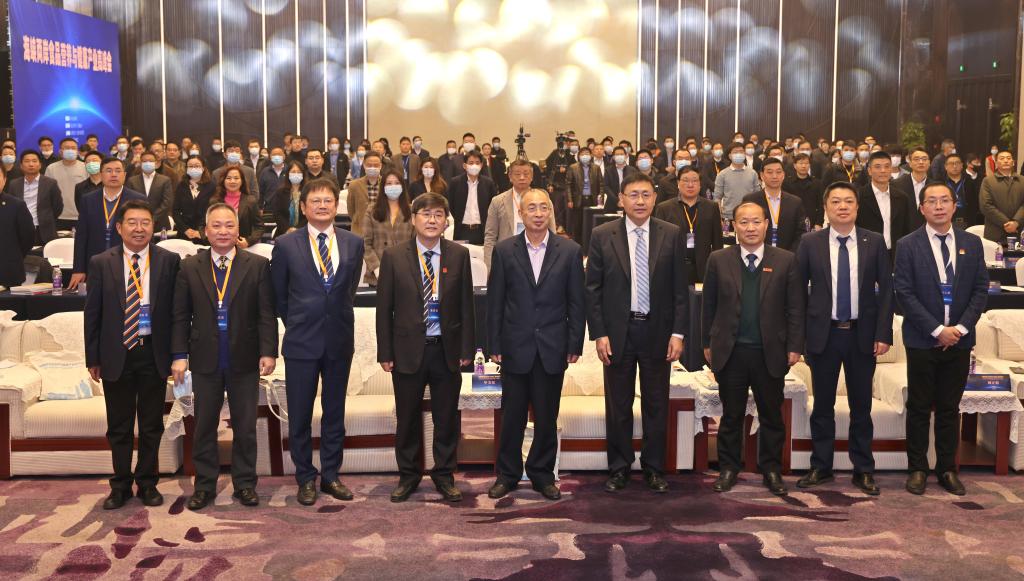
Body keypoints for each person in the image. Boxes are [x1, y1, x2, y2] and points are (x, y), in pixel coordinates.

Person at [171, 203, 278, 510]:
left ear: (238, 230)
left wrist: (268, 351)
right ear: (206, 231)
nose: (223, 231)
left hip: (244, 358)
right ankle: (204, 486)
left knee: (245, 426)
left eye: (229, 225)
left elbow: (266, 313)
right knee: (204, 425)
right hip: (205, 358)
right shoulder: (189, 266)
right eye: (216, 226)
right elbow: (180, 315)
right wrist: (179, 354)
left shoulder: (257, 265)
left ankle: (245, 484)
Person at [585, 174, 687, 494]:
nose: (640, 201)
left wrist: (678, 333)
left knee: (657, 403)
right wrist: (599, 333)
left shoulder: (671, 233)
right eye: (633, 195)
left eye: (645, 194)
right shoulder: (603, 235)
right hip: (618, 333)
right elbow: (593, 290)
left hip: (658, 331)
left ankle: (654, 468)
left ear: (655, 198)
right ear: (621, 199)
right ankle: (619, 468)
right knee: (618, 404)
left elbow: (680, 290)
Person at [376, 192, 475, 503]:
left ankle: (444, 475)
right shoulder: (394, 256)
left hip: (446, 350)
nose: (432, 220)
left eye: (438, 215)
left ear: (446, 222)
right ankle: (408, 475)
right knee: (407, 418)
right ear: (413, 219)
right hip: (407, 351)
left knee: (447, 419)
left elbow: (467, 307)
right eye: (426, 214)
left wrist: (467, 350)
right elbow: (384, 309)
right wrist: (385, 352)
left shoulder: (459, 255)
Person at [486, 189, 585, 501]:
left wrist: (575, 343)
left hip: (553, 347)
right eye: (532, 208)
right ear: (521, 212)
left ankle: (542, 474)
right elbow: (495, 302)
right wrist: (494, 343)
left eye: (544, 208)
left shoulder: (569, 251)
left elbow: (577, 302)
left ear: (551, 212)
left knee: (546, 417)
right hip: (515, 347)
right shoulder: (504, 250)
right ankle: (507, 475)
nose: (538, 213)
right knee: (512, 417)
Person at [796, 182, 893, 496]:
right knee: (822, 406)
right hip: (823, 336)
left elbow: (887, 292)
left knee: (861, 407)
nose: (842, 207)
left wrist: (883, 333)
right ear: (826, 207)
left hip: (861, 336)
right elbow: (797, 293)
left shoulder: (874, 241)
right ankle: (820, 466)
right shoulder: (810, 242)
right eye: (835, 201)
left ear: (857, 207)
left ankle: (863, 469)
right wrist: (799, 338)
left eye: (848, 201)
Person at [272, 178, 364, 506]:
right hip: (301, 341)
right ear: (304, 207)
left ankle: (331, 475)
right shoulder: (286, 245)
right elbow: (279, 297)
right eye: (316, 201)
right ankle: (305, 477)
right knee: (299, 414)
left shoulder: (354, 243)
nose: (322, 206)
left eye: (328, 200)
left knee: (334, 412)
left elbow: (348, 290)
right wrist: (300, 321)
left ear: (336, 205)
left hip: (339, 339)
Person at [702, 201, 805, 495]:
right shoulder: (718, 259)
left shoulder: (785, 260)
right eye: (744, 222)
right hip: (730, 352)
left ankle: (771, 469)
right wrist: (706, 344)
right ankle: (728, 468)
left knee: (771, 415)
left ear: (766, 225)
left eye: (756, 221)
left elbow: (795, 307)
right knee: (731, 415)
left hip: (770, 352)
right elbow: (708, 306)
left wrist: (795, 345)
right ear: (734, 226)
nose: (750, 228)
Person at [84, 200, 181, 509]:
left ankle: (148, 483)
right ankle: (121, 485)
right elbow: (93, 313)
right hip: (117, 353)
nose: (139, 228)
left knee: (152, 424)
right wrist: (92, 358)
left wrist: (178, 353)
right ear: (119, 227)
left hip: (153, 352)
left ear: (153, 227)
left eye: (145, 222)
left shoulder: (169, 260)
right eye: (132, 222)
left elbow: (177, 312)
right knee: (119, 426)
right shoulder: (101, 262)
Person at [894, 182, 988, 496]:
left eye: (944, 200)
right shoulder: (907, 244)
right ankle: (917, 469)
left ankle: (947, 469)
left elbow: (980, 290)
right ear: (922, 208)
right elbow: (904, 292)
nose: (938, 206)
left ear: (954, 205)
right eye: (932, 201)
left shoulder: (972, 243)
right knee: (919, 407)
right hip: (922, 339)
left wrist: (959, 329)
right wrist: (937, 330)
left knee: (949, 408)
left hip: (959, 340)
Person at [70, 158, 146, 290]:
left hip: (127, 260)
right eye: (108, 171)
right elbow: (81, 236)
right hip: (94, 261)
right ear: (101, 174)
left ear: (125, 175)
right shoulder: (88, 199)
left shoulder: (137, 199)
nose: (113, 174)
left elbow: (143, 234)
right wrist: (78, 269)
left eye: (118, 171)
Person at [653, 166, 723, 284]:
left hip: (704, 268)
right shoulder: (664, 208)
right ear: (678, 183)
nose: (690, 185)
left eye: (695, 180)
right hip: (673, 266)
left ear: (700, 184)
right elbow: (658, 243)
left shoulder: (711, 207)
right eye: (685, 180)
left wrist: (717, 269)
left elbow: (717, 242)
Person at [484, 159, 557, 268]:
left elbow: (552, 232)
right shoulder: (498, 201)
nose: (522, 177)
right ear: (510, 176)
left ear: (532, 176)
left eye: (526, 174)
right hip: (507, 257)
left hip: (538, 254)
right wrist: (490, 266)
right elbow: (490, 237)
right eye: (517, 174)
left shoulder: (544, 200)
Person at [742, 158, 808, 252]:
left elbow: (801, 233)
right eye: (769, 172)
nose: (774, 176)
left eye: (778, 172)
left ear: (783, 175)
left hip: (788, 254)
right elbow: (744, 229)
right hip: (758, 252)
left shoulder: (795, 202)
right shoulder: (751, 200)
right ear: (762, 175)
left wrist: (790, 255)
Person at [857, 152, 913, 261]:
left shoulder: (902, 197)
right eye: (878, 167)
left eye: (887, 166)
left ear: (891, 169)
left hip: (895, 255)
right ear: (869, 171)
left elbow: (906, 229)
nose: (883, 170)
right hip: (866, 253)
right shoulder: (859, 196)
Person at [362, 170, 414, 286]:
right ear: (383, 187)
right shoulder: (372, 210)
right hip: (377, 276)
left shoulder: (411, 211)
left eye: (397, 183)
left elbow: (416, 242)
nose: (393, 186)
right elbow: (366, 244)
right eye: (389, 183)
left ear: (402, 186)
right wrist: (377, 269)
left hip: (406, 273)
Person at [8, 150, 63, 245]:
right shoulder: (14, 184)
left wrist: (46, 218)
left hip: (44, 230)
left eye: (34, 161)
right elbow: (11, 207)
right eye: (27, 161)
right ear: (21, 166)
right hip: (21, 228)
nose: (31, 164)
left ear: (40, 165)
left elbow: (58, 207)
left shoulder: (50, 183)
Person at [447, 150, 497, 244]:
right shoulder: (455, 182)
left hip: (482, 230)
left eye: (477, 163)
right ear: (464, 165)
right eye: (471, 163)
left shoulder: (488, 183)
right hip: (462, 230)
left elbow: (493, 206)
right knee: (461, 253)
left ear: (481, 165)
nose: (474, 165)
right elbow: (451, 205)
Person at [0, 166, 35, 288]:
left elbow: (28, 237)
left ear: (5, 180)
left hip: (8, 273)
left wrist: (12, 255)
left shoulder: (16, 205)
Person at [979, 150, 1024, 243]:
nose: (1006, 161)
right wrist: (1006, 223)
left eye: (1008, 158)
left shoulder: (1022, 180)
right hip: (995, 232)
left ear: (1013, 162)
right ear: (996, 163)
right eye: (1002, 158)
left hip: (1018, 230)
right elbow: (985, 205)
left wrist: (1016, 222)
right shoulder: (988, 181)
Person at [45, 137, 88, 226]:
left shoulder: (86, 167)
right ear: (60, 151)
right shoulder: (51, 168)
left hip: (81, 215)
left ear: (77, 151)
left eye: (73, 148)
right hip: (58, 216)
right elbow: (46, 193)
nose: (70, 150)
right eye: (67, 148)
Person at [126, 151, 174, 231]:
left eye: (151, 161)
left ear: (156, 163)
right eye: (145, 161)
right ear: (140, 163)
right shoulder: (132, 181)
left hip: (160, 224)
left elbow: (167, 202)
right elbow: (129, 201)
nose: (148, 163)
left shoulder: (165, 180)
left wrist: (152, 218)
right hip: (138, 223)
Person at [173, 156, 215, 243]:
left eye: (197, 166)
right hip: (184, 233)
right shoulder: (181, 185)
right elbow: (175, 211)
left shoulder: (212, 186)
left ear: (203, 168)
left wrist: (201, 231)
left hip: (204, 233)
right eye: (190, 166)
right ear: (186, 168)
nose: (193, 168)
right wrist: (185, 229)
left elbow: (213, 211)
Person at [714, 143, 760, 221]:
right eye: (735, 152)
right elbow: (717, 198)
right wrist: (718, 217)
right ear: (730, 156)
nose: (739, 154)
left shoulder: (753, 173)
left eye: (741, 151)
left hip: (749, 215)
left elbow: (758, 195)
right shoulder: (722, 174)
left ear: (745, 154)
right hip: (728, 216)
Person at [566, 146, 603, 241]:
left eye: (587, 154)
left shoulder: (596, 168)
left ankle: (589, 243)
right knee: (577, 224)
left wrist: (601, 198)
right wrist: (570, 200)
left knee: (590, 223)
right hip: (578, 199)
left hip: (592, 199)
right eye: (582, 154)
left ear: (591, 155)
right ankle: (578, 244)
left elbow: (601, 184)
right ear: (579, 156)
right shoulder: (573, 167)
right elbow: (568, 185)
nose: (585, 156)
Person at [346, 151, 383, 237]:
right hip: (359, 231)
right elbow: (351, 210)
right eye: (369, 165)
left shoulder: (387, 183)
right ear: (364, 165)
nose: (372, 167)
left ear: (380, 166)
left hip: (382, 231)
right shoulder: (354, 185)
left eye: (376, 165)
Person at [894, 147, 931, 230]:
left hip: (928, 229)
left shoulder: (935, 186)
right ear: (910, 163)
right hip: (904, 231)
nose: (921, 162)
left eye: (924, 159)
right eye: (916, 159)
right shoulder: (897, 184)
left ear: (929, 163)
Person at [783, 152, 824, 228]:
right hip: (792, 221)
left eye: (806, 163)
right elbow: (784, 205)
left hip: (812, 222)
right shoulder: (787, 183)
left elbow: (821, 205)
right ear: (795, 165)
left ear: (809, 165)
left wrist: (819, 223)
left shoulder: (817, 183)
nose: (804, 166)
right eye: (801, 163)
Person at [941, 153, 980, 228]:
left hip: (967, 221)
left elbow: (976, 203)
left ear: (962, 165)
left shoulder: (970, 182)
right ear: (945, 166)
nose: (954, 166)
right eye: (951, 163)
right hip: (945, 220)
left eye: (957, 163)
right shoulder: (940, 183)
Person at [272, 161, 308, 238]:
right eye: (293, 172)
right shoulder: (280, 192)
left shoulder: (308, 192)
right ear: (288, 174)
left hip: (305, 232)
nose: (296, 174)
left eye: (299, 172)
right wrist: (287, 229)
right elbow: (277, 213)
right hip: (283, 232)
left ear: (303, 174)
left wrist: (297, 229)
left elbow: (310, 213)